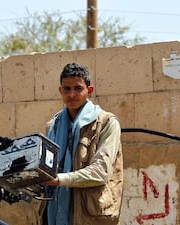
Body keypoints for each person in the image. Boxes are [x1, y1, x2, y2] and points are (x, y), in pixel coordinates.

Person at [41, 63, 123, 225]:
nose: (72, 94)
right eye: (67, 89)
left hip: (89, 214)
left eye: (78, 88)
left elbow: (101, 172)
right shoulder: (53, 126)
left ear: (89, 90)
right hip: (54, 210)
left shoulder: (106, 123)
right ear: (60, 91)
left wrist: (60, 179)